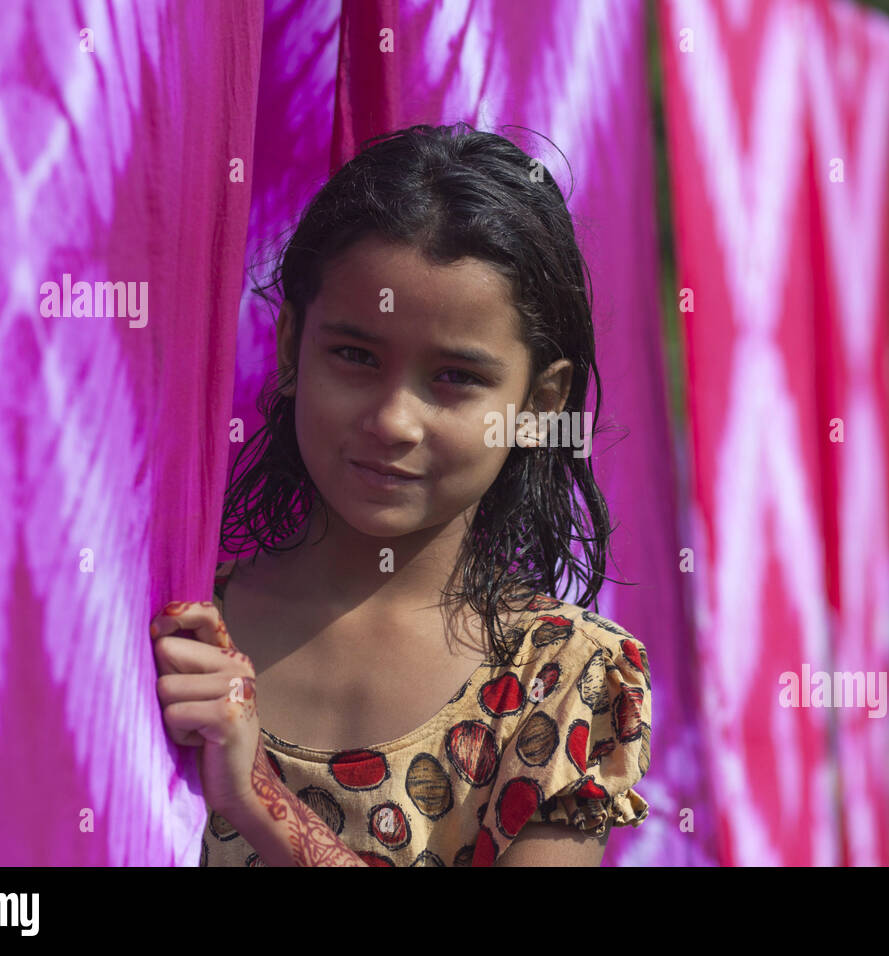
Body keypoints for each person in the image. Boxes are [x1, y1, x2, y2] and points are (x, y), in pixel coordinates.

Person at [149, 123, 651, 867]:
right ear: (290, 349)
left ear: (542, 403)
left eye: (455, 377)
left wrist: (259, 802)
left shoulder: (562, 682)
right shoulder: (179, 642)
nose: (392, 421)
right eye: (354, 356)